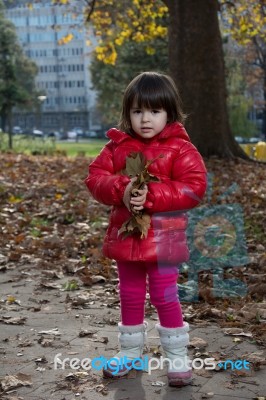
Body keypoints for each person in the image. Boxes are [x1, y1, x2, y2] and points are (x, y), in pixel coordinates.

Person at [85, 71, 207, 387]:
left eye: (154, 111)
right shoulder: (116, 147)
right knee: (130, 294)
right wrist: (122, 188)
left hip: (164, 237)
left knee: (165, 296)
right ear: (128, 114)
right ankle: (130, 352)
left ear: (169, 113)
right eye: (137, 111)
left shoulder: (181, 149)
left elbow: (194, 187)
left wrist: (153, 195)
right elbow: (95, 178)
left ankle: (177, 358)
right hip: (128, 236)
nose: (145, 119)